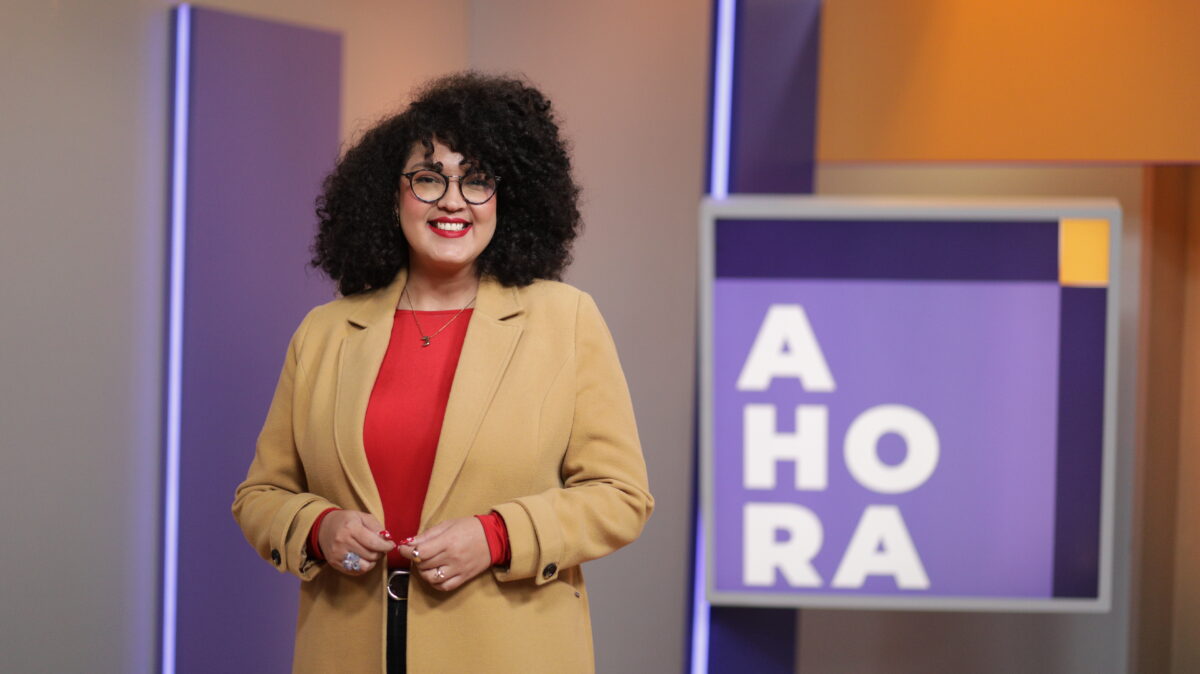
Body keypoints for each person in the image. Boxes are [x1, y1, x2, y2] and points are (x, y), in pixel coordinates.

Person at [231, 72, 653, 674]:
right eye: (429, 178)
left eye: (477, 180)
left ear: (510, 198)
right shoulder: (323, 333)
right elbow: (260, 496)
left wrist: (499, 535)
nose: (453, 201)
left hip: (510, 654)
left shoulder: (567, 321)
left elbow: (621, 496)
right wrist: (318, 528)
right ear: (391, 193)